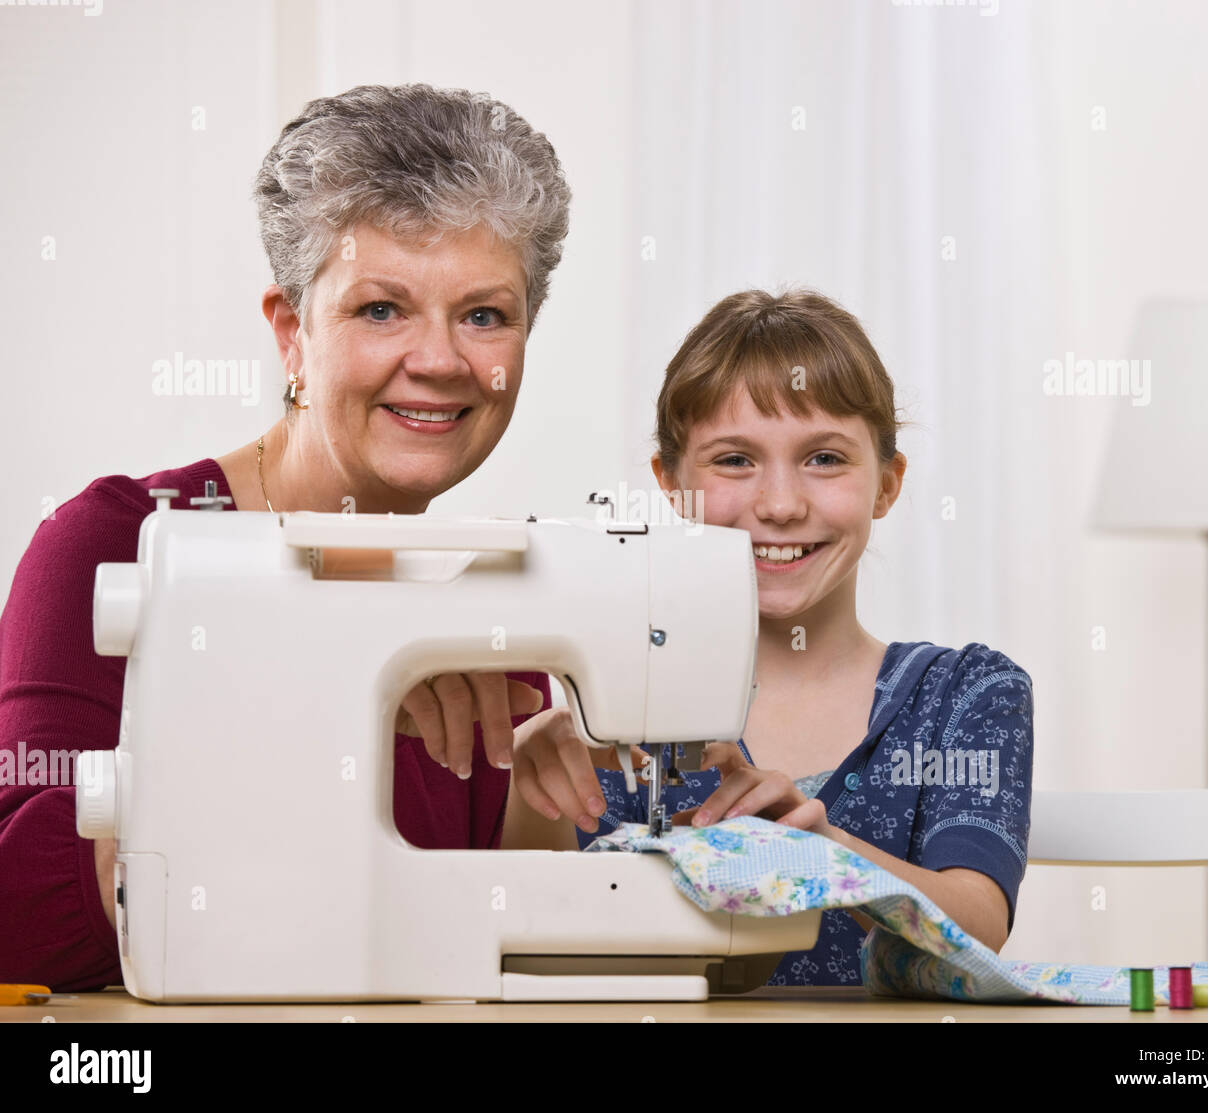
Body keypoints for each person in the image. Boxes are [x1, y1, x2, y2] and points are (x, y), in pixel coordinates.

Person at [0, 84, 571, 991]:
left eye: (484, 314)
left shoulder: (488, 612)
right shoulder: (113, 547)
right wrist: (297, 701)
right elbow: (15, 921)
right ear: (291, 334)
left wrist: (556, 812)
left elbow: (474, 961)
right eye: (381, 309)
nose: (440, 359)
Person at [504, 288, 1034, 986]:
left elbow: (979, 924)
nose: (780, 504)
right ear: (671, 486)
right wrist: (525, 786)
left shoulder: (969, 694)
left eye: (824, 458)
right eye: (733, 460)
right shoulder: (613, 699)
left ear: (887, 483)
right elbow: (536, 940)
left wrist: (828, 859)